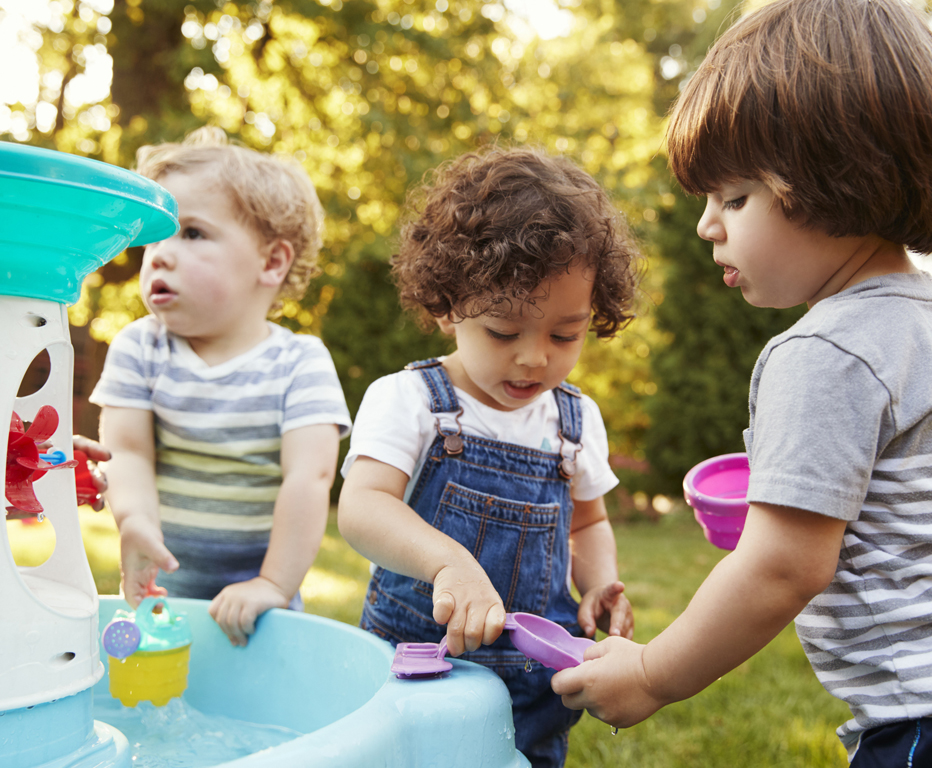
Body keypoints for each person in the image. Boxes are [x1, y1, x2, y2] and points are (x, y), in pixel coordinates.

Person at [552, 1, 932, 765]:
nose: (708, 224)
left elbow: (783, 567)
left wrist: (651, 673)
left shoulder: (823, 350)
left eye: (734, 198)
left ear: (839, 181)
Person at [337, 146, 641, 767]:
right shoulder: (411, 400)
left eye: (565, 334)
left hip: (532, 688)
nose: (534, 358)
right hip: (419, 672)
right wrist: (448, 563)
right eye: (503, 332)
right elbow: (363, 508)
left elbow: (587, 522)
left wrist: (599, 585)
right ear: (449, 306)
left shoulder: (574, 421)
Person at [90, 127, 351, 647]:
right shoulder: (140, 348)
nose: (159, 255)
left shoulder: (299, 362)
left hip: (259, 612)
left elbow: (310, 476)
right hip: (163, 595)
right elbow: (129, 453)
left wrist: (272, 584)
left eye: (191, 233)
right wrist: (135, 520)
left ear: (271, 262)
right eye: (154, 237)